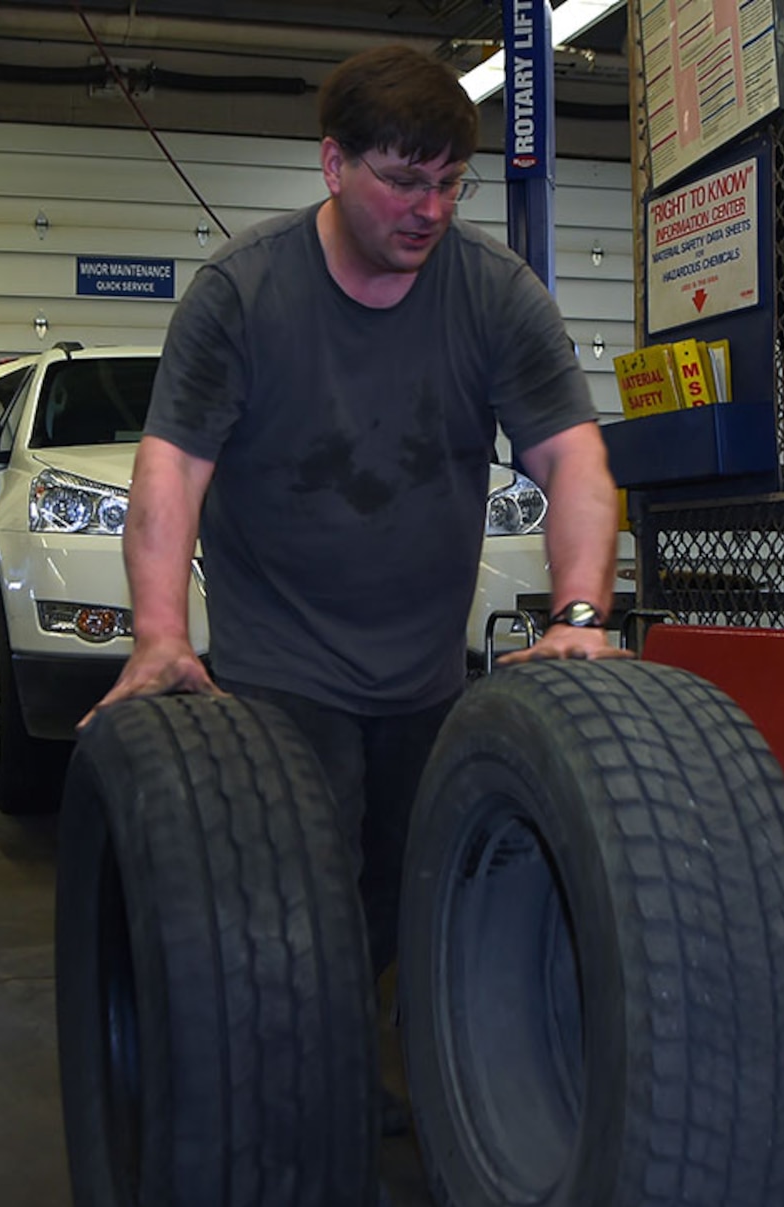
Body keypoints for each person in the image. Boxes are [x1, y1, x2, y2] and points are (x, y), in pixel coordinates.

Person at [85, 45, 627, 996]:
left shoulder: (495, 293)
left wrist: (579, 613)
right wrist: (160, 635)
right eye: (405, 181)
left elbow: (574, 457)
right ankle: (301, 1090)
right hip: (280, 671)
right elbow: (171, 469)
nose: (431, 209)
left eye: (451, 183)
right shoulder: (243, 293)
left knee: (412, 903)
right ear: (334, 165)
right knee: (301, 909)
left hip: (423, 674)